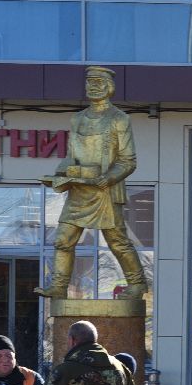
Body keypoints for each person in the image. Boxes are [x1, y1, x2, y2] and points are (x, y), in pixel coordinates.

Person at [35, 66, 149, 300]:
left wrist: (108, 178)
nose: (93, 87)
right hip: (79, 191)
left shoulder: (119, 119)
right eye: (89, 82)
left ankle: (137, 285)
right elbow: (71, 156)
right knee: (62, 240)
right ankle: (59, 286)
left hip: (105, 191)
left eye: (98, 82)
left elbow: (128, 161)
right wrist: (60, 175)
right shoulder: (77, 118)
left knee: (117, 242)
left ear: (109, 87)